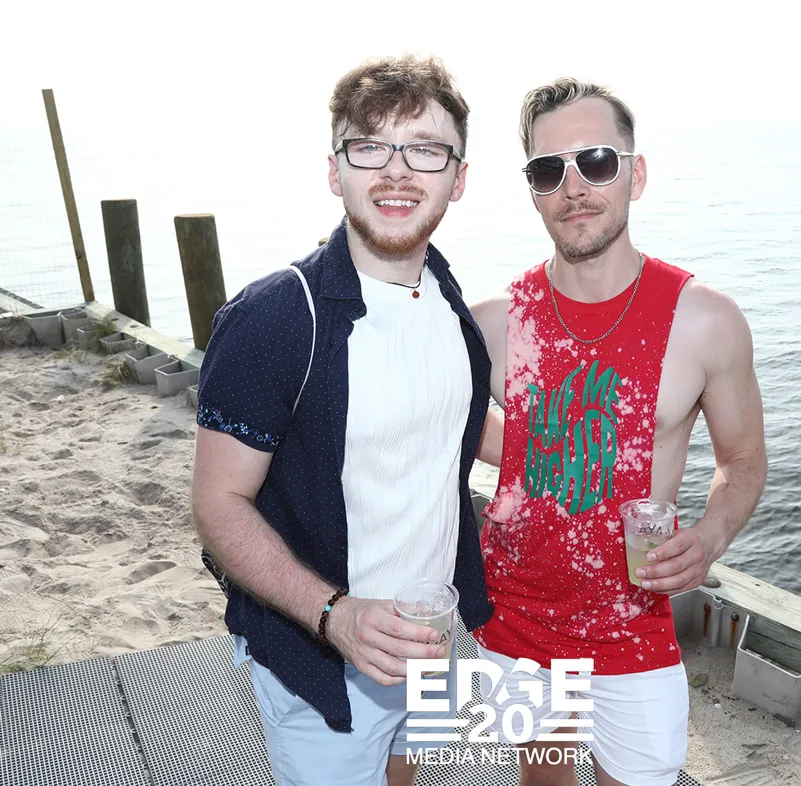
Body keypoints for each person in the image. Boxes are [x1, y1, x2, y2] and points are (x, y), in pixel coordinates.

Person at [191, 55, 493, 786]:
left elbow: (444, 435)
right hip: (321, 657)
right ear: (335, 170)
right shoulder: (273, 319)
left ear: (458, 178)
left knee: (405, 771)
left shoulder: (449, 299)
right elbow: (217, 505)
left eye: (425, 150)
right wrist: (334, 614)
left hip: (430, 635)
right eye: (369, 147)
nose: (397, 171)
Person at [470, 79, 768, 786]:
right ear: (533, 192)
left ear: (635, 174)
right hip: (512, 613)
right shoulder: (489, 326)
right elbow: (441, 422)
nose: (573, 187)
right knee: (541, 775)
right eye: (548, 170)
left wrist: (710, 536)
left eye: (596, 161)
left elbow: (744, 459)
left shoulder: (705, 321)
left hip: (633, 621)